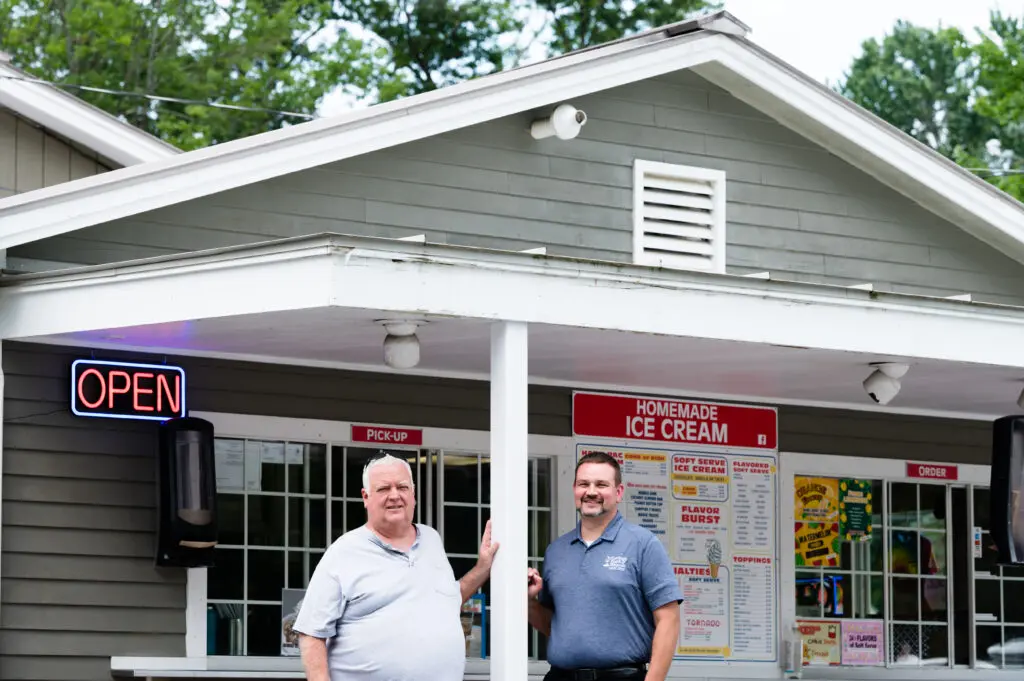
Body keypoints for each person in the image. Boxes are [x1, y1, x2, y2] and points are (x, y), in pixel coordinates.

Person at [293, 452, 499, 681]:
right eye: (383, 489)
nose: (394, 496)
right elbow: (311, 633)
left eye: (402, 487)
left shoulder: (431, 540)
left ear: (413, 494)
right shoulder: (344, 552)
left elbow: (447, 600)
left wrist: (483, 567)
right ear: (365, 496)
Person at [527, 451, 682, 681]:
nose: (591, 492)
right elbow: (554, 626)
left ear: (618, 492)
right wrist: (529, 602)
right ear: (574, 490)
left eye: (601, 484)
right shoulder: (556, 551)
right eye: (583, 484)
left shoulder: (643, 544)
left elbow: (669, 620)